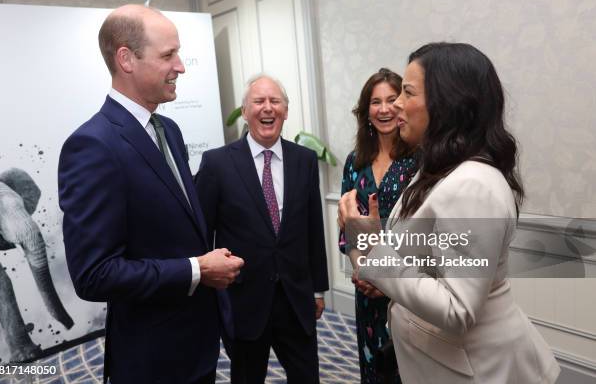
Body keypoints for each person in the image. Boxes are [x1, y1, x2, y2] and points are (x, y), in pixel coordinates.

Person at [339, 43, 560, 383]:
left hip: (482, 369)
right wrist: (362, 241)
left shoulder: (473, 185)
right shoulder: (437, 170)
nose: (396, 104)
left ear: (448, 105)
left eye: (407, 93)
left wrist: (369, 244)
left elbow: (458, 310)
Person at [58, 4, 244, 384]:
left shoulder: (169, 130)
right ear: (126, 58)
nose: (181, 66)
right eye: (168, 55)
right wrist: (197, 269)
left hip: (197, 345)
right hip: (152, 360)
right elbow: (94, 274)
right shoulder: (92, 146)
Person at [195, 74, 329, 383]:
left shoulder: (305, 160)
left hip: (296, 298)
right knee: (246, 377)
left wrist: (318, 288)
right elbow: (202, 234)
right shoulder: (217, 164)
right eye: (258, 101)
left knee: (307, 376)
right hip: (245, 300)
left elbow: (313, 229)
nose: (267, 108)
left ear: (285, 110)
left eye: (275, 101)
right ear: (244, 111)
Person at [338, 68, 417, 384]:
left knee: (409, 369)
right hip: (367, 289)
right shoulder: (354, 161)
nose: (383, 109)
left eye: (391, 100)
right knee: (375, 369)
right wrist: (364, 271)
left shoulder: (420, 159)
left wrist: (385, 276)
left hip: (409, 287)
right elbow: (348, 228)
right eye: (375, 102)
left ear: (402, 105)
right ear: (365, 110)